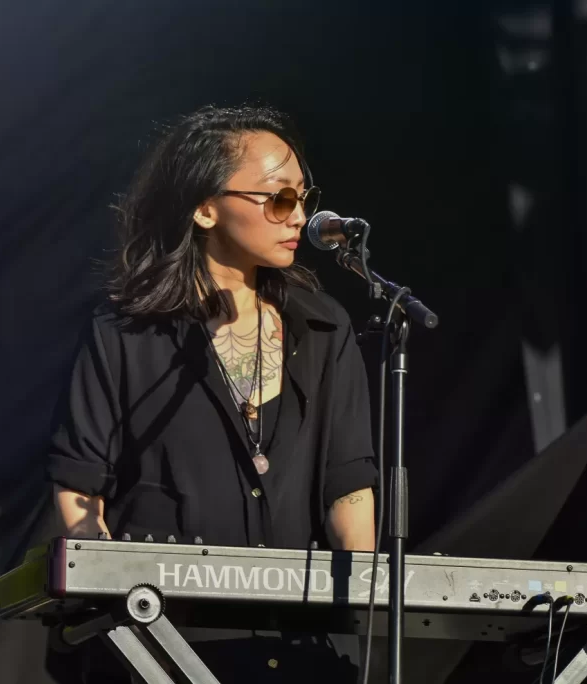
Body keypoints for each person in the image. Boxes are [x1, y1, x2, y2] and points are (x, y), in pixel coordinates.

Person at [45, 105, 378, 683]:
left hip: (297, 650)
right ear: (205, 209)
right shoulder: (125, 333)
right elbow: (80, 483)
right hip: (159, 645)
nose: (299, 215)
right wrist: (102, 584)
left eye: (303, 196)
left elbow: (347, 485)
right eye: (279, 199)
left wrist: (365, 592)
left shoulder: (324, 328)